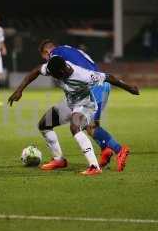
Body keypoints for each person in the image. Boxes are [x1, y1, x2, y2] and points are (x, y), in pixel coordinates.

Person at [8, 56, 139, 176]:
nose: (52, 77)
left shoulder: (83, 76)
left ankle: (94, 167)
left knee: (74, 127)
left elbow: (108, 77)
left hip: (86, 105)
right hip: (70, 103)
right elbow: (37, 70)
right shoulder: (55, 66)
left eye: (54, 75)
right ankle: (59, 160)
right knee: (44, 124)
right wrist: (19, 90)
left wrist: (129, 88)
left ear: (61, 72)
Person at [37, 40, 130, 171]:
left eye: (46, 58)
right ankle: (105, 150)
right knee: (90, 123)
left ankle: (119, 150)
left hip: (93, 86)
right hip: (97, 85)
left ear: (47, 52)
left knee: (88, 125)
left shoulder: (55, 54)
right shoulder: (68, 49)